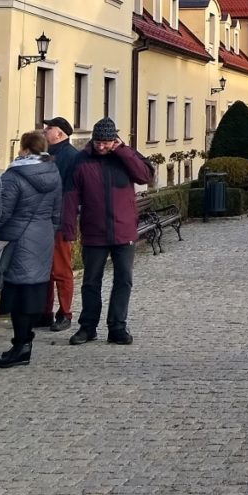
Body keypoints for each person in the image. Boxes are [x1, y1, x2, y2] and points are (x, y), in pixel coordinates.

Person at [62, 118, 151, 346]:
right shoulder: (81, 161)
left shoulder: (125, 156)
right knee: (91, 282)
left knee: (124, 280)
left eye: (106, 142)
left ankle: (117, 327)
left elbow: (145, 176)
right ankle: (88, 327)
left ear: (115, 140)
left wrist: (123, 151)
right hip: (94, 231)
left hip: (123, 231)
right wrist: (69, 229)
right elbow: (70, 196)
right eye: (98, 141)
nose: (101, 146)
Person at [0, 131, 62, 368]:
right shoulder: (53, 172)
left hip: (19, 239)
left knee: (18, 294)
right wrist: (46, 233)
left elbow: (2, 212)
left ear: (24, 149)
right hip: (42, 237)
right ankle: (24, 344)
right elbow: (56, 213)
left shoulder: (14, 175)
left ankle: (21, 346)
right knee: (32, 293)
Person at [41, 116, 79, 331]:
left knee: (61, 269)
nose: (44, 130)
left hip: (60, 220)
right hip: (45, 220)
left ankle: (65, 313)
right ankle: (44, 312)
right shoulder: (48, 154)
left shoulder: (71, 156)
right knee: (45, 269)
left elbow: (72, 191)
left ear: (60, 133)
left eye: (49, 128)